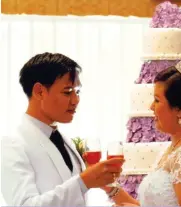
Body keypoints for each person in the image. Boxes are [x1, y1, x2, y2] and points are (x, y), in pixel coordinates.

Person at [1, 52, 125, 206]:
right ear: (39, 91)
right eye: (68, 92)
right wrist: (83, 182)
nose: (76, 100)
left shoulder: (63, 140)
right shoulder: (12, 144)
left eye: (77, 92)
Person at [101, 60, 181, 206]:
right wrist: (110, 187)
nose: (151, 107)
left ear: (179, 109)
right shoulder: (179, 147)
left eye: (157, 100)